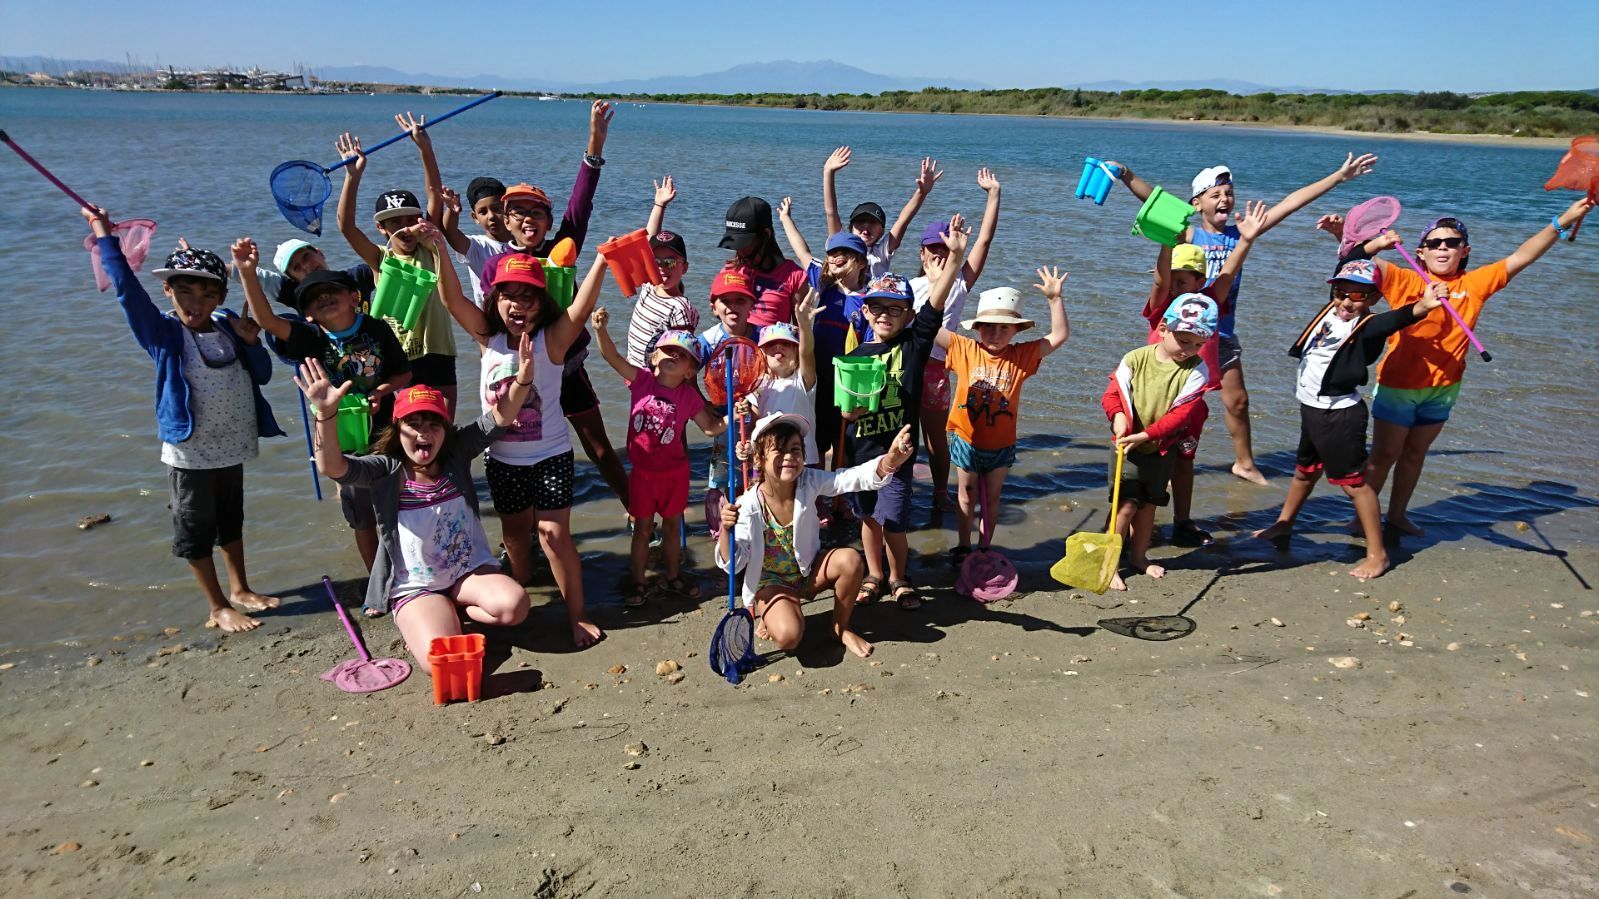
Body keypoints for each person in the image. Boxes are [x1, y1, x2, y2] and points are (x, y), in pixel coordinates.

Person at [1111, 152, 1379, 486]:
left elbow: (1291, 203)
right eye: (1215, 194)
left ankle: (1244, 464)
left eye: (1229, 193)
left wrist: (1338, 176)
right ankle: (1162, 459)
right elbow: (1157, 202)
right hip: (1183, 337)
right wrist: (1126, 174)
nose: (1225, 199)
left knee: (1237, 401)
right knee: (1175, 405)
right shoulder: (1188, 236)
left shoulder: (1242, 234)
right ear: (1197, 204)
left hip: (1221, 336)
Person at [1342, 198, 1594, 536]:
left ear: (1465, 250)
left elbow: (1523, 256)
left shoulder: (1475, 284)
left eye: (1452, 242)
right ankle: (1361, 519)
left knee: (1415, 454)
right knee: (1385, 454)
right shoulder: (1402, 279)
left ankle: (1397, 515)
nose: (1443, 248)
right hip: (1398, 385)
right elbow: (1353, 262)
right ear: (1420, 252)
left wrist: (1562, 221)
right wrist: (1350, 237)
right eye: (1434, 243)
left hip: (1444, 388)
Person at [85, 207, 285, 632]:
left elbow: (263, 375)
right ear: (168, 291)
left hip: (232, 445)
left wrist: (252, 344)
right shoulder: (163, 333)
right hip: (190, 453)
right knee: (195, 530)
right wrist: (104, 234)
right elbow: (126, 289)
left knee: (231, 520)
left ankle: (240, 589)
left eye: (208, 294)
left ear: (221, 297)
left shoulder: (228, 326)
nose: (196, 303)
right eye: (185, 292)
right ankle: (217, 606)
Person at [296, 361, 536, 672]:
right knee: (439, 663)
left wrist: (523, 380)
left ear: (445, 431)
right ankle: (430, 614)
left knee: (515, 608)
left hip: (467, 573)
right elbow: (332, 467)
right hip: (417, 586)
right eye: (413, 424)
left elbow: (500, 417)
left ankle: (455, 605)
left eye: (434, 424)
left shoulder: (456, 453)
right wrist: (326, 414)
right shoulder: (384, 469)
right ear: (398, 430)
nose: (424, 432)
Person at [436, 243, 611, 648]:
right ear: (494, 299)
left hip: (551, 455)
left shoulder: (553, 340)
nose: (518, 304)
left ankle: (578, 615)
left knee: (553, 534)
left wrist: (603, 259)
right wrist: (439, 247)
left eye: (528, 296)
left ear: (542, 303)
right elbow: (451, 299)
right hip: (502, 459)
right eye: (508, 295)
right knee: (515, 535)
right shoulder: (488, 338)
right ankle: (521, 583)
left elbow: (581, 307)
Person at [1253, 260, 1445, 579]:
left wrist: (1423, 305)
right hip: (1311, 409)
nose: (1346, 301)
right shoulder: (1331, 311)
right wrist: (1363, 241)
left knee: (1355, 485)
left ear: (1373, 299)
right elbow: (1351, 255)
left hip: (1339, 415)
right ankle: (1283, 524)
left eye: (1357, 295)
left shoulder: (1366, 325)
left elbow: (1396, 319)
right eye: (1340, 292)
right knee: (1304, 472)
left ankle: (1378, 554)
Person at [233, 238, 412, 572]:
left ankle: (408, 572)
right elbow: (268, 320)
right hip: (338, 439)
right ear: (308, 314)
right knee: (361, 518)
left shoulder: (376, 328)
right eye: (315, 298)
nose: (324, 298)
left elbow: (403, 372)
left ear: (353, 297)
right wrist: (247, 273)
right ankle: (377, 580)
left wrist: (381, 391)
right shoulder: (309, 338)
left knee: (398, 506)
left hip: (386, 433)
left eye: (332, 291)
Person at [718, 413, 918, 660]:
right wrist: (726, 530)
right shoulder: (747, 504)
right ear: (759, 459)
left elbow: (849, 478)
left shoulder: (808, 480)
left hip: (808, 571)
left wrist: (888, 461)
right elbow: (733, 564)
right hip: (772, 582)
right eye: (779, 450)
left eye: (795, 449)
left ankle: (840, 628)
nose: (789, 457)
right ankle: (774, 611)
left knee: (851, 560)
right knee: (789, 638)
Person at [842, 217, 967, 609]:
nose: (885, 314)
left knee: (894, 521)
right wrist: (849, 418)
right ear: (865, 312)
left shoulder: (913, 345)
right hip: (862, 454)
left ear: (908, 315)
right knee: (867, 518)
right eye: (877, 307)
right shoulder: (855, 355)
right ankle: (874, 575)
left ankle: (899, 576)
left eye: (895, 309)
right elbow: (844, 413)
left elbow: (934, 308)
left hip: (898, 455)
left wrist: (954, 260)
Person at [1139, 201, 1267, 546]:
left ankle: (1182, 522)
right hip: (1153, 398)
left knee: (1184, 461)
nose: (1174, 286)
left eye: (1182, 280)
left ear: (1200, 281)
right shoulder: (1161, 307)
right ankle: (1135, 520)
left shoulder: (1209, 303)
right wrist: (1167, 241)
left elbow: (1227, 275)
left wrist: (1246, 240)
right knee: (1148, 461)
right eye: (1172, 279)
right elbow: (1160, 278)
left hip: (1192, 401)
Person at [592, 313, 726, 605]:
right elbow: (612, 357)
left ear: (690, 372)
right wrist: (600, 330)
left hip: (675, 474)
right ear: (654, 357)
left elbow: (709, 427)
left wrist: (732, 417)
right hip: (643, 474)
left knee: (672, 526)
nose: (673, 356)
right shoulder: (641, 380)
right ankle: (638, 581)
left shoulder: (688, 397)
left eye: (682, 355)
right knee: (642, 529)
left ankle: (673, 575)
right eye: (668, 350)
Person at [937, 267, 1070, 557]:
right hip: (966, 440)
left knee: (993, 498)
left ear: (1016, 330)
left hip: (1002, 444)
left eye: (1003, 328)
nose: (995, 333)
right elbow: (929, 325)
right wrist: (939, 282)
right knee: (966, 495)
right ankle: (963, 546)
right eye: (988, 326)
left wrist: (1054, 299)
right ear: (977, 327)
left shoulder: (1021, 356)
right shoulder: (963, 348)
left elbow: (1060, 335)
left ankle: (985, 548)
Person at [332, 128, 459, 410]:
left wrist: (425, 149)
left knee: (443, 425)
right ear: (381, 228)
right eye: (395, 222)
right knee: (404, 427)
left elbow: (434, 196)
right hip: (398, 357)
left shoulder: (430, 246)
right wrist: (352, 176)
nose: (405, 228)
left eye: (411, 219)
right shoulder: (380, 258)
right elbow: (346, 227)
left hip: (438, 351)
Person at [1101, 294, 1217, 591]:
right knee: (1125, 507)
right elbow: (1112, 395)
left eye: (1198, 344)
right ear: (1163, 329)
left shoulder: (1197, 370)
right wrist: (1118, 417)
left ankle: (1139, 557)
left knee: (1149, 506)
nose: (1188, 350)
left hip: (1161, 449)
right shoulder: (1135, 359)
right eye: (1184, 340)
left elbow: (1180, 415)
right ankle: (1109, 564)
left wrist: (1147, 436)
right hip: (1127, 447)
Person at [912, 167, 1003, 512]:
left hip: (936, 368)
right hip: (905, 366)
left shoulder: (959, 284)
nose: (939, 254)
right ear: (921, 253)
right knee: (901, 433)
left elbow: (984, 242)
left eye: (945, 248)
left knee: (936, 437)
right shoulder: (907, 287)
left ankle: (940, 493)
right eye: (932, 248)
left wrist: (993, 195)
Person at [775, 196, 870, 463]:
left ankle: (839, 486)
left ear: (861, 262)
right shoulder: (823, 284)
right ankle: (815, 487)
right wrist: (785, 219)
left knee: (843, 444)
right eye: (832, 253)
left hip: (847, 382)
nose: (836, 257)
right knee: (815, 440)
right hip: (817, 376)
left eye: (845, 253)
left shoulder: (868, 300)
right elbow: (802, 251)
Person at [697, 268, 763, 532]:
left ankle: (756, 520)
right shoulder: (707, 341)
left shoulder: (763, 337)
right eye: (725, 301)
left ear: (751, 305)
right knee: (725, 472)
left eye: (740, 300)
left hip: (756, 417)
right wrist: (702, 407)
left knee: (756, 470)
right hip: (724, 420)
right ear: (714, 307)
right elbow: (686, 375)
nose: (733, 307)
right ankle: (725, 525)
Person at [821, 146, 942, 278]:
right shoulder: (841, 245)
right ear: (851, 228)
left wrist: (921, 193)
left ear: (881, 232)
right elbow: (831, 212)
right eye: (860, 221)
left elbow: (903, 220)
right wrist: (828, 173)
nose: (866, 226)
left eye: (873, 222)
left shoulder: (880, 254)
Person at [623, 177, 699, 368]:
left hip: (654, 379)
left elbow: (682, 356)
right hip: (633, 373)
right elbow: (648, 241)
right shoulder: (649, 285)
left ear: (684, 268)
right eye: (656, 262)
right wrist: (659, 205)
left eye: (670, 262)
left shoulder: (679, 308)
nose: (663, 268)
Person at [718, 196, 806, 328]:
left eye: (744, 243)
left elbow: (802, 331)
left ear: (766, 235)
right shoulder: (729, 272)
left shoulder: (794, 277)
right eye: (735, 244)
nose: (740, 250)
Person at [232, 238, 375, 313]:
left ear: (320, 253)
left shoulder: (358, 276)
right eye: (297, 267)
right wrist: (222, 266)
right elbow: (254, 275)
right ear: (294, 280)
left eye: (306, 256)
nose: (306, 266)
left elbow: (386, 261)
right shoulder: (295, 295)